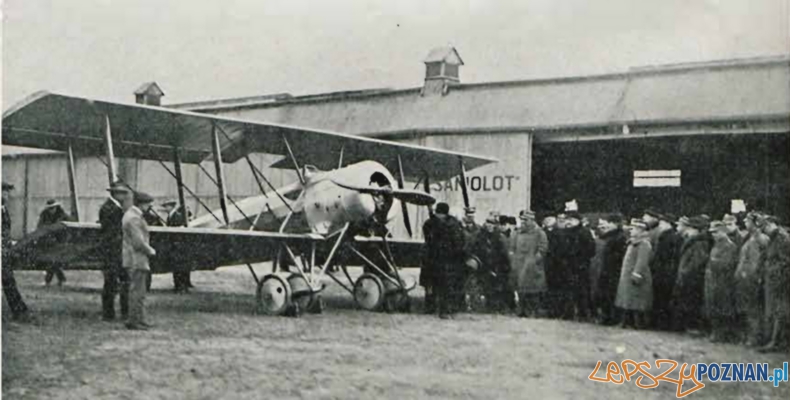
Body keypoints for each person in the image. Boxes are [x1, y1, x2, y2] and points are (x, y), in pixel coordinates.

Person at [422, 202, 466, 319]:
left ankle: (436, 309)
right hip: (448, 260)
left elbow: (428, 233)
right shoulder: (455, 224)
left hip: (438, 259)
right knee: (444, 286)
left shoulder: (434, 223)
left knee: (438, 285)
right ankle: (445, 310)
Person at [122, 191, 157, 330]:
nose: (149, 207)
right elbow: (138, 242)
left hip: (133, 258)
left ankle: (139, 319)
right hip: (137, 259)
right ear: (142, 204)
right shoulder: (134, 218)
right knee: (137, 292)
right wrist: (150, 250)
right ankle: (134, 320)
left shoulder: (131, 215)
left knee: (139, 291)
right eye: (148, 204)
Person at [671, 215, 711, 333]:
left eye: (690, 228)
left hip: (691, 278)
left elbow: (696, 263)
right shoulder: (694, 241)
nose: (688, 231)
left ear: (696, 230)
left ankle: (692, 326)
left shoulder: (699, 243)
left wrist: (684, 273)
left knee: (690, 302)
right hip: (687, 276)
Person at [99, 181, 133, 321]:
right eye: (122, 193)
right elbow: (112, 231)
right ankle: (110, 313)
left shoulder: (114, 207)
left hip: (116, 250)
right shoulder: (110, 208)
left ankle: (121, 312)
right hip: (112, 251)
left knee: (121, 282)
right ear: (115, 193)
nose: (124, 196)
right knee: (111, 283)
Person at [734, 212, 769, 347]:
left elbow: (755, 261)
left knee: (753, 309)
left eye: (748, 221)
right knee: (748, 308)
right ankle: (750, 336)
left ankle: (755, 337)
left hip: (751, 279)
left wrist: (749, 275)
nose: (745, 222)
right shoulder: (751, 238)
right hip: (746, 279)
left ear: (755, 223)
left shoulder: (759, 239)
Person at [758, 215, 790, 353]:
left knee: (779, 312)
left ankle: (777, 342)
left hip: (779, 281)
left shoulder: (782, 239)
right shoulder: (774, 238)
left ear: (772, 224)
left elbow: (785, 262)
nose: (763, 230)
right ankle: (773, 340)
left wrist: (773, 273)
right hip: (772, 279)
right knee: (773, 311)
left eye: (764, 226)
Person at [615, 218, 653, 329]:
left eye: (634, 229)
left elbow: (642, 261)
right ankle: (627, 321)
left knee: (636, 301)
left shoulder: (644, 244)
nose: (631, 231)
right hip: (627, 275)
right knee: (628, 299)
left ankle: (637, 323)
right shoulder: (633, 243)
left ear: (641, 230)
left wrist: (637, 273)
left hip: (636, 276)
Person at [468, 214, 511, 312]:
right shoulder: (479, 235)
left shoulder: (500, 237)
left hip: (497, 265)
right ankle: (487, 305)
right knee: (485, 285)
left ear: (495, 225)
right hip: (483, 264)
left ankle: (497, 306)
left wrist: (503, 265)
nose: (489, 225)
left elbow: (504, 252)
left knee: (497, 286)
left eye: (492, 224)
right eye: (488, 223)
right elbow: (474, 248)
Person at [704, 221, 739, 342]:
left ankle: (722, 334)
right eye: (712, 232)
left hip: (723, 282)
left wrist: (713, 262)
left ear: (724, 232)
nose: (713, 235)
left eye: (716, 232)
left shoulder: (729, 246)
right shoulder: (716, 245)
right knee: (713, 306)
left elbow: (728, 264)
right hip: (713, 280)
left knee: (722, 308)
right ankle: (716, 332)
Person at [509, 210, 548, 317]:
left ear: (532, 220)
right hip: (519, 266)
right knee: (521, 290)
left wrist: (533, 262)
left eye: (526, 220)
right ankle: (521, 311)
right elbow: (511, 248)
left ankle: (533, 312)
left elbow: (542, 250)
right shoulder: (516, 233)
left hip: (533, 268)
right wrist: (514, 260)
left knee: (533, 291)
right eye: (522, 220)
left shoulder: (540, 233)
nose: (523, 222)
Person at [560, 211, 596, 321]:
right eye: (567, 220)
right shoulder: (564, 232)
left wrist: (581, 259)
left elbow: (591, 250)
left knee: (582, 291)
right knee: (567, 290)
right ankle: (568, 312)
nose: (568, 222)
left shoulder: (584, 232)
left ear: (578, 221)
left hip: (580, 266)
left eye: (571, 220)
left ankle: (583, 314)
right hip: (567, 265)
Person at [1, 182, 30, 321]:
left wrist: (9, 242)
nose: (6, 195)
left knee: (8, 281)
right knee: (8, 280)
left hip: (3, 251)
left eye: (7, 192)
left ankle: (20, 311)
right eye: (4, 192)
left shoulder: (3, 209)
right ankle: (20, 311)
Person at [594, 213, 628, 325]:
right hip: (607, 268)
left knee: (610, 294)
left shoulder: (620, 237)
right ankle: (606, 316)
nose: (608, 225)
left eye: (610, 222)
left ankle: (610, 317)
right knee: (605, 293)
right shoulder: (612, 236)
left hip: (613, 269)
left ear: (616, 224)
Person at [650, 212, 682, 330]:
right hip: (665, 271)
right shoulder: (671, 236)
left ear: (667, 223)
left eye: (662, 223)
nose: (660, 225)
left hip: (664, 272)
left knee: (662, 298)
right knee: (662, 297)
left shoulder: (669, 237)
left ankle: (662, 323)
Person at [37, 199, 69, 286]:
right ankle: (60, 278)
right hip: (48, 241)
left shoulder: (63, 215)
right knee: (52, 261)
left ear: (56, 207)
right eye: (49, 208)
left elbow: (66, 227)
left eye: (53, 208)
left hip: (60, 242)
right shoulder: (44, 214)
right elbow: (40, 226)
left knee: (52, 261)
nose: (51, 210)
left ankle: (49, 281)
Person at [164, 200, 193, 293]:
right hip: (174, 246)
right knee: (176, 267)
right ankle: (178, 285)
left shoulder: (177, 217)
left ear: (171, 207)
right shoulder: (171, 216)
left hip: (179, 246)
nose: (165, 208)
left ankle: (180, 286)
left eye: (166, 206)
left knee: (179, 267)